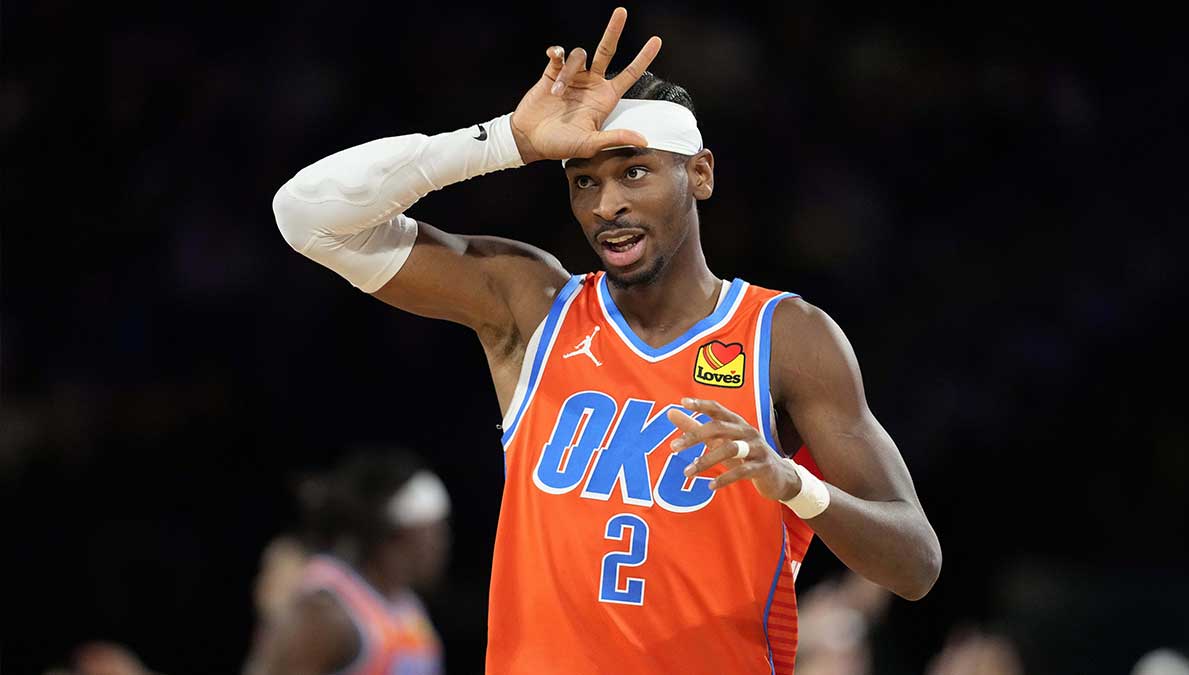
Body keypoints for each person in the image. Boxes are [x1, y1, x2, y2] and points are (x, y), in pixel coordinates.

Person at [271, 7, 940, 673]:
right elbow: (308, 216)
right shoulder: (531, 305)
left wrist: (791, 481)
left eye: (634, 172)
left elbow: (916, 563)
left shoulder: (788, 337)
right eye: (583, 181)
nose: (605, 205)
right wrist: (509, 141)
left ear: (699, 174)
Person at [244, 451, 449, 675]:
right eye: (434, 533)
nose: (443, 544)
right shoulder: (326, 612)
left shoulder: (406, 607)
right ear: (395, 535)